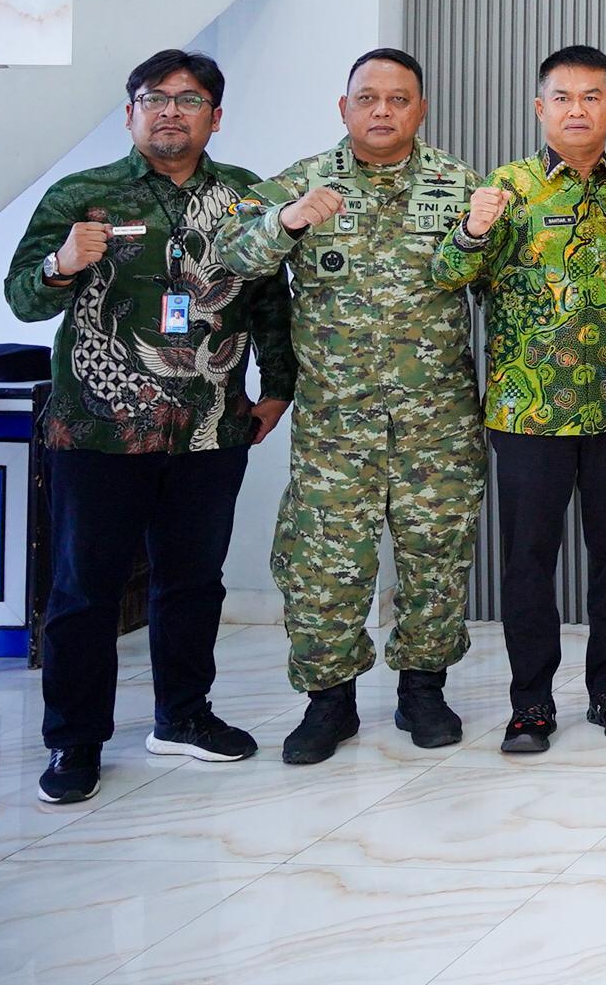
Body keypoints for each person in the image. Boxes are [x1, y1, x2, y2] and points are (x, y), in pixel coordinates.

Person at [5, 50, 295, 806]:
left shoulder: (244, 200)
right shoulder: (83, 194)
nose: (170, 111)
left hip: (209, 429)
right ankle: (74, 742)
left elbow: (269, 302)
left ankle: (183, 716)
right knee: (84, 593)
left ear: (215, 116)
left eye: (188, 99)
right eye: (153, 98)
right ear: (130, 112)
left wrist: (278, 388)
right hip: (99, 434)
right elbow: (22, 299)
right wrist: (63, 264)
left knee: (193, 584)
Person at [223, 48, 488, 765]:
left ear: (420, 110)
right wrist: (287, 222)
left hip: (438, 420)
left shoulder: (459, 183)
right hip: (337, 426)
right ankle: (328, 700)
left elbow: (492, 279)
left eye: (398, 99)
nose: (381, 110)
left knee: (436, 557)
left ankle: (423, 689)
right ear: (344, 109)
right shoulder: (303, 182)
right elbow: (231, 255)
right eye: (366, 98)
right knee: (325, 564)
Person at [432, 45, 606, 754]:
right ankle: (530, 703)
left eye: (593, 97)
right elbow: (449, 275)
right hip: (529, 413)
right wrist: (473, 228)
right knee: (529, 559)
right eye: (562, 97)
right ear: (540, 108)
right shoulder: (507, 186)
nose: (577, 110)